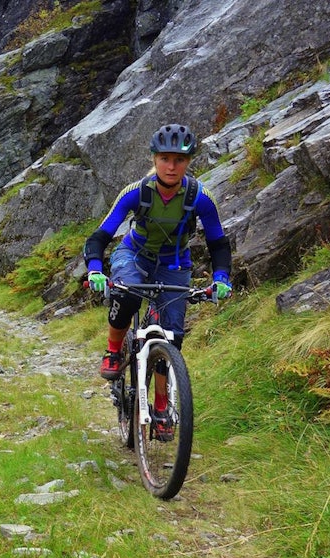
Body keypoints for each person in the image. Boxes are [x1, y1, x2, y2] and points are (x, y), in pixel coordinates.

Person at [83, 123, 232, 439]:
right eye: (165, 158)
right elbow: (99, 236)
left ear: (188, 162)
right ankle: (113, 350)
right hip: (133, 255)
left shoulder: (200, 197)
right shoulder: (136, 192)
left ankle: (162, 405)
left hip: (175, 264)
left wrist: (221, 278)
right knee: (128, 294)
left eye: (179, 160)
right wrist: (95, 270)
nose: (171, 166)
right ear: (154, 159)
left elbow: (218, 243)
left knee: (172, 337)